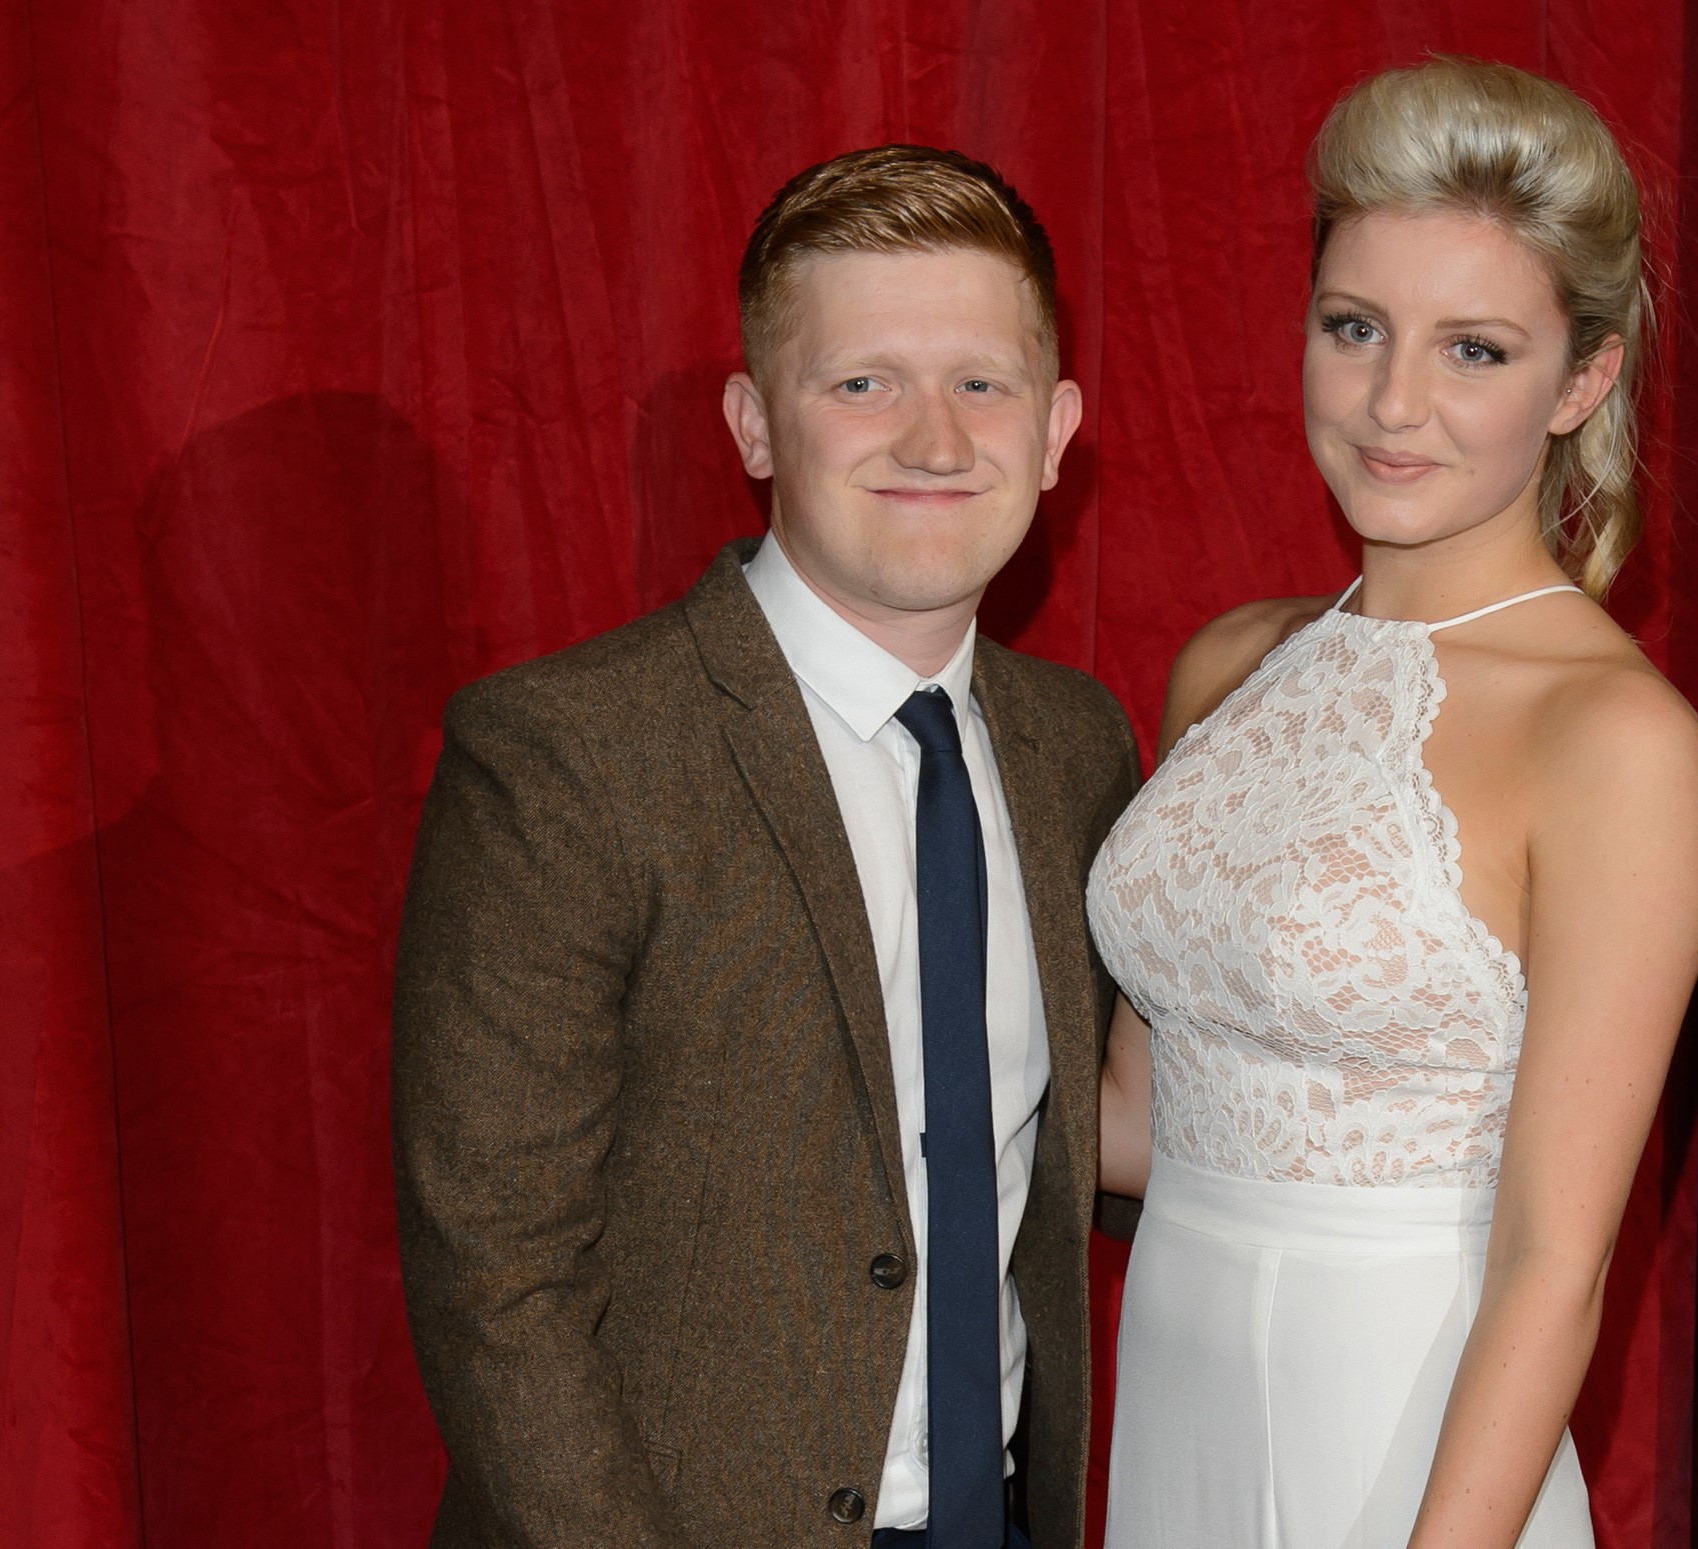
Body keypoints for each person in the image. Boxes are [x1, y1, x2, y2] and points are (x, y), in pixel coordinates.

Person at [393, 144, 1139, 1549]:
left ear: (1055, 429)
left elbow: (1077, 1146)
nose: (934, 438)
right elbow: (495, 1281)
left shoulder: (1076, 744)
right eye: (862, 383)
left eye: (982, 383)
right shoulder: (569, 753)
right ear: (753, 423)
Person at [1089, 58, 1698, 1549]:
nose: (1392, 402)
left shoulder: (1612, 735)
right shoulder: (1230, 665)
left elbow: (1557, 1262)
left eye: (1476, 351)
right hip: (1172, 1424)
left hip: (1415, 1461)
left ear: (1583, 380)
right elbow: (1133, 1116)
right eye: (1354, 326)